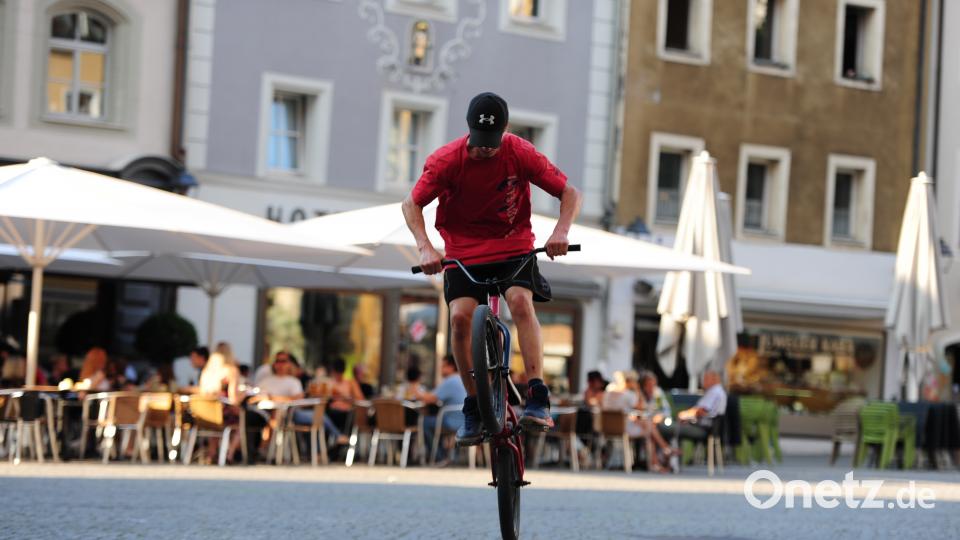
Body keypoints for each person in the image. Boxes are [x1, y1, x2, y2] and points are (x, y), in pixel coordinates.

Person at [402, 91, 583, 444]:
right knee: (458, 319)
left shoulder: (519, 151)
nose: (485, 150)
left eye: (492, 143)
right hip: (462, 249)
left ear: (505, 131)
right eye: (479, 142)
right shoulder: (446, 161)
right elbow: (411, 204)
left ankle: (536, 393)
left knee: (519, 302)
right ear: (469, 130)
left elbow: (570, 193)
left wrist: (561, 231)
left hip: (513, 242)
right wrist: (425, 247)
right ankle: (473, 403)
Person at [602, 370, 675, 473]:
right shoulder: (628, 394)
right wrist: (637, 390)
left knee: (647, 425)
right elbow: (641, 407)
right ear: (630, 381)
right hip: (624, 428)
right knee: (649, 429)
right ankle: (658, 459)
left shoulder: (608, 392)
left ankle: (661, 455)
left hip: (606, 427)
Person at [418, 355, 468, 463]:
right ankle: (447, 456)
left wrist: (415, 390)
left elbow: (430, 398)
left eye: (443, 366)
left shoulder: (450, 381)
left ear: (451, 367)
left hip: (454, 421)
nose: (440, 368)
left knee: (426, 422)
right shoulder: (462, 379)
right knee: (434, 421)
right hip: (466, 420)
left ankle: (439, 457)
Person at [675, 370, 728, 441]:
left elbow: (701, 410)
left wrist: (684, 415)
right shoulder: (718, 390)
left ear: (713, 379)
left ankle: (672, 449)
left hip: (706, 429)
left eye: (706, 379)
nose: (703, 382)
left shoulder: (714, 391)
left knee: (675, 428)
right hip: (711, 428)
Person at [326, 357, 365, 433]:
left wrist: (344, 397)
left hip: (346, 413)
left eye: (338, 373)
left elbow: (360, 400)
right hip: (331, 411)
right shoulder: (329, 382)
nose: (336, 375)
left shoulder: (350, 383)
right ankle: (337, 437)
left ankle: (339, 437)